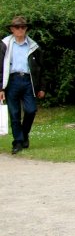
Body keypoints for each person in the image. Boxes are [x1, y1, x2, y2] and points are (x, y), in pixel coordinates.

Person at [0, 16, 45, 154]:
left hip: (27, 81)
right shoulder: (4, 44)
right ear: (12, 29)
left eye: (23, 27)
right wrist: (1, 87)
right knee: (14, 114)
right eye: (17, 27)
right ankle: (18, 142)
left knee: (31, 110)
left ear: (26, 29)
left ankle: (24, 134)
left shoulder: (34, 46)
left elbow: (41, 68)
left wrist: (42, 87)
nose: (20, 30)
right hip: (11, 81)